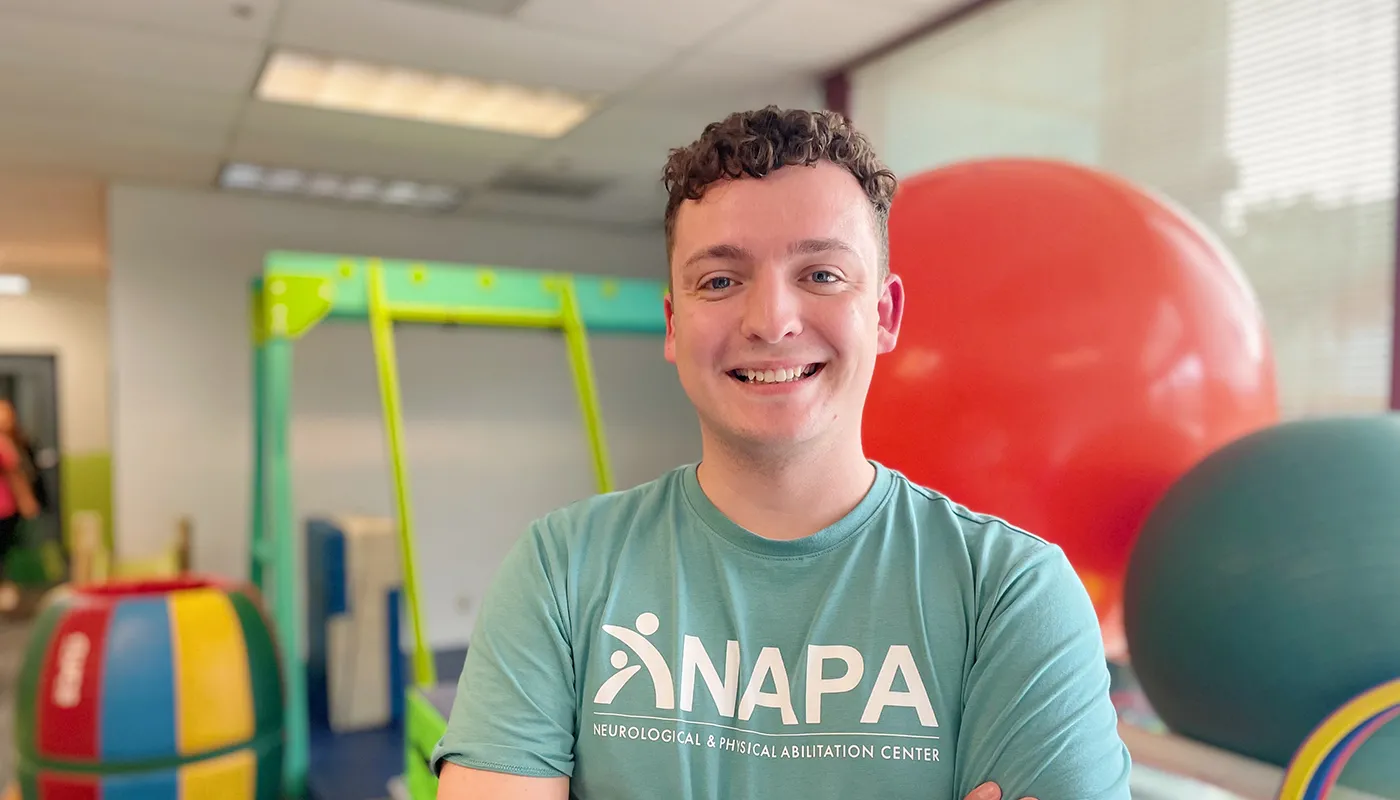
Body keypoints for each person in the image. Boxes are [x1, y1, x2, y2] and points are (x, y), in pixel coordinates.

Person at [432, 107, 1132, 800]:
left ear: (884, 315)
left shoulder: (1009, 593)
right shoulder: (561, 573)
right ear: (674, 325)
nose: (770, 321)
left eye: (822, 275)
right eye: (719, 280)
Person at [0, 399, 39, 612]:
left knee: (6, 551)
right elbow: (16, 476)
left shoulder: (13, 441)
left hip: (5, 507)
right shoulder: (3, 443)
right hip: (5, 506)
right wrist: (27, 501)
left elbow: (18, 474)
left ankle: (8, 588)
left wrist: (26, 501)